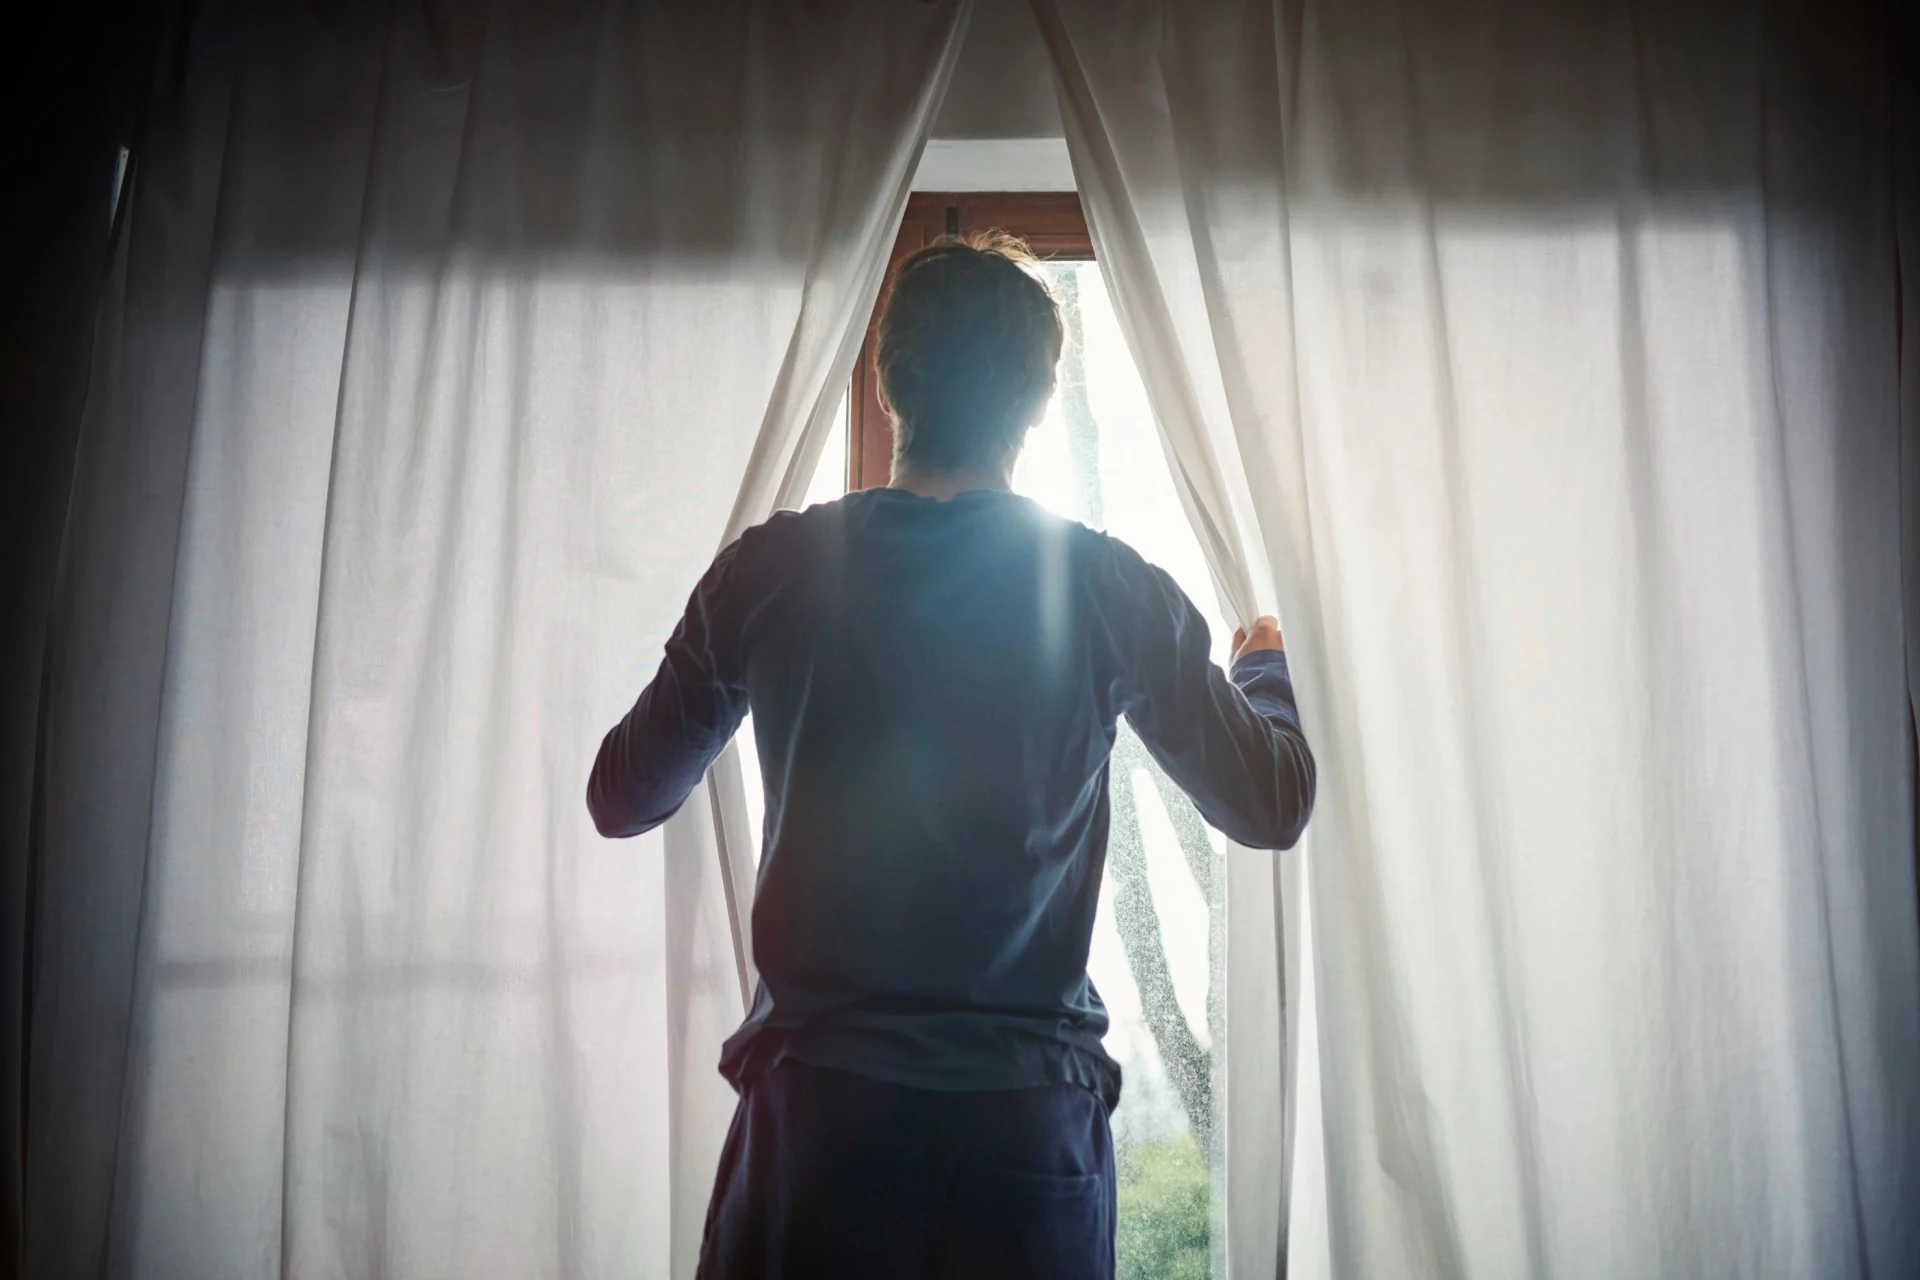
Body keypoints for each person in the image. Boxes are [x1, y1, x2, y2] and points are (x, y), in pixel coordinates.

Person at [587, 232, 1316, 1279]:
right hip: (1019, 1135)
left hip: (820, 1131)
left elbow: (622, 795)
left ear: (890, 382)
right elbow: (1272, 803)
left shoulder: (772, 568)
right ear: (1034, 400)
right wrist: (1268, 669)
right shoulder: (1106, 585)